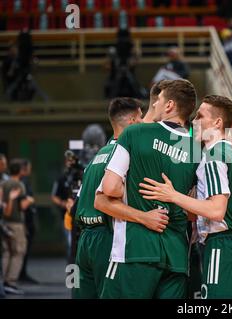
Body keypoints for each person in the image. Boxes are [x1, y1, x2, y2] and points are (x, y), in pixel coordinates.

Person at [140, 95, 232, 299]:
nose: (194, 121)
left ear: (217, 122)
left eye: (200, 116)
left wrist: (173, 195)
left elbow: (216, 210)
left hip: (224, 245)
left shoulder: (214, 155)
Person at [94, 79, 199, 299]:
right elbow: (193, 209)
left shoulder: (135, 133)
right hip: (177, 255)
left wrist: (138, 205)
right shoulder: (196, 149)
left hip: (135, 250)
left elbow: (109, 188)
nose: (155, 105)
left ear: (169, 105)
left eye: (158, 100)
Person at [73, 98, 144, 299]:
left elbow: (76, 204)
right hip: (107, 236)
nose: (143, 124)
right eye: (141, 118)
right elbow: (111, 191)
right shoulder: (126, 154)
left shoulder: (98, 154)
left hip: (84, 239)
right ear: (132, 120)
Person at [1, 159, 34, 295]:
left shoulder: (4, 183)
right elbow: (21, 206)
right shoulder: (19, 185)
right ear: (20, 170)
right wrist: (30, 200)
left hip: (4, 222)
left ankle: (4, 281)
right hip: (16, 222)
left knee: (6, 252)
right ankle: (11, 281)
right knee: (18, 252)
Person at [18, 159, 38, 284]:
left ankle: (22, 273)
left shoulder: (25, 182)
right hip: (24, 221)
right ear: (24, 168)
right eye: (29, 167)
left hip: (28, 220)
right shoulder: (21, 183)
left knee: (24, 249)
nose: (30, 170)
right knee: (21, 250)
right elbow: (22, 204)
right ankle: (20, 274)